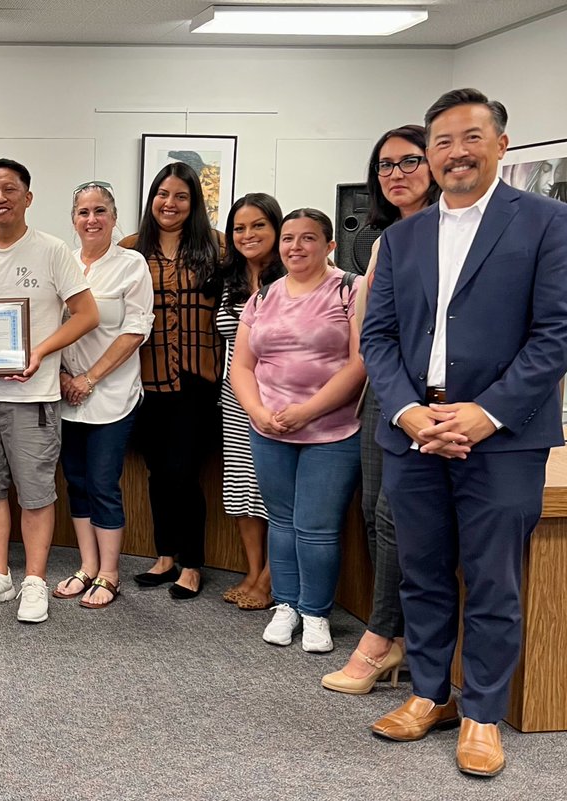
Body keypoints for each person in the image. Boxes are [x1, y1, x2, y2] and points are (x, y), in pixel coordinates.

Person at [361, 88, 567, 777]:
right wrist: (408, 410)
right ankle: (429, 694)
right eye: (441, 142)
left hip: (503, 435)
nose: (455, 153)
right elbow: (380, 337)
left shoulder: (546, 222)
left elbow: (554, 334)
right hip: (415, 430)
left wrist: (487, 411)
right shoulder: (400, 237)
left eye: (470, 138)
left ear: (501, 145)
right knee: (421, 572)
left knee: (493, 579)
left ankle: (481, 712)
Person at [0, 158, 99, 625]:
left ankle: (34, 579)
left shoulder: (52, 251)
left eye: (9, 189)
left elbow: (87, 315)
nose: (0, 198)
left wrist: (40, 352)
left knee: (35, 494)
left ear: (28, 198)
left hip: (33, 397)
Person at [321, 125, 438, 695]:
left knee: (395, 514)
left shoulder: (450, 234)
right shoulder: (383, 241)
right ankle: (400, 635)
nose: (395, 174)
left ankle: (384, 636)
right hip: (381, 390)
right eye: (385, 166)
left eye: (409, 161)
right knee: (372, 511)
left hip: (428, 397)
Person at [230, 208, 365, 654]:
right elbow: (243, 366)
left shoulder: (350, 289)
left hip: (333, 429)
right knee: (282, 522)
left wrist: (307, 411)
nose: (295, 247)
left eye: (308, 238)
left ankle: (316, 612)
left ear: (329, 245)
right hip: (268, 429)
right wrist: (257, 412)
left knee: (317, 527)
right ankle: (286, 605)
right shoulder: (262, 298)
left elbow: (359, 363)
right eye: (288, 238)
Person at [120, 161, 222, 598]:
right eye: (163, 194)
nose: (171, 203)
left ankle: (193, 562)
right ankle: (164, 556)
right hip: (144, 378)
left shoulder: (216, 247)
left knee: (183, 473)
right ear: (152, 199)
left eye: (181, 196)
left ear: (194, 202)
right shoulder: (129, 249)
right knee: (156, 472)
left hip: (197, 381)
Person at [52, 181, 152, 609]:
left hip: (110, 393)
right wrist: (60, 376)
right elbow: (44, 323)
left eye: (100, 211)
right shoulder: (64, 262)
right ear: (73, 219)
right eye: (83, 212)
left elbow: (134, 332)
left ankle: (110, 573)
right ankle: (87, 565)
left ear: (114, 217)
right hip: (64, 392)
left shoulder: (132, 265)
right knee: (75, 481)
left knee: (103, 483)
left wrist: (89, 378)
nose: (91, 219)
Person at [214, 193, 284, 611]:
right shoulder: (230, 280)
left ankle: (273, 578)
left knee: (275, 491)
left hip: (280, 400)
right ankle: (253, 570)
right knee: (242, 490)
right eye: (239, 227)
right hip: (235, 399)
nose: (248, 234)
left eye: (258, 225)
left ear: (276, 228)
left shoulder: (293, 274)